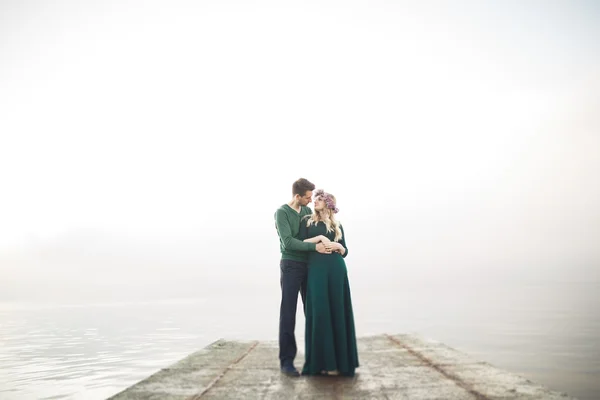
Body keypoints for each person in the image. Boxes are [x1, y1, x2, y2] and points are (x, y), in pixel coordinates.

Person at [274, 178, 331, 377]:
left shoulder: (308, 211)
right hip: (290, 265)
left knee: (312, 312)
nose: (309, 201)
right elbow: (289, 242)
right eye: (307, 197)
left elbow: (320, 227)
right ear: (297, 196)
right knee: (288, 313)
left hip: (309, 266)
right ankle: (287, 361)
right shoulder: (282, 213)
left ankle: (316, 359)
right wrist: (314, 246)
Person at [299, 189, 359, 377]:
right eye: (314, 199)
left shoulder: (337, 224)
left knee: (338, 311)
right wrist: (320, 238)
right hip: (316, 270)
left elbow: (345, 250)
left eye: (318, 199)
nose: (314, 202)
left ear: (328, 203)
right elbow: (300, 241)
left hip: (336, 269)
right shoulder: (307, 221)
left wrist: (340, 246)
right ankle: (319, 363)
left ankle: (340, 363)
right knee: (319, 311)